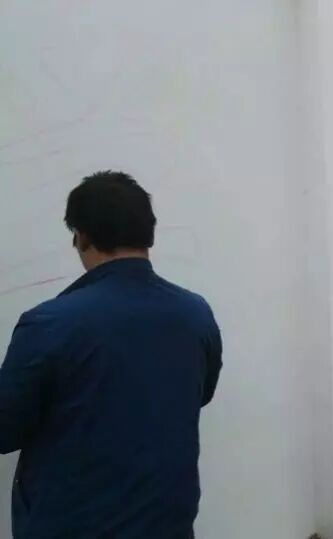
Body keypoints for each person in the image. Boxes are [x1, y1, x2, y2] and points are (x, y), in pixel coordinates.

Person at [0, 171, 222, 538]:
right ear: (148, 234)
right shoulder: (195, 312)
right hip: (168, 524)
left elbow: (5, 430)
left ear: (82, 236)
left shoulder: (48, 323)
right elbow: (201, 393)